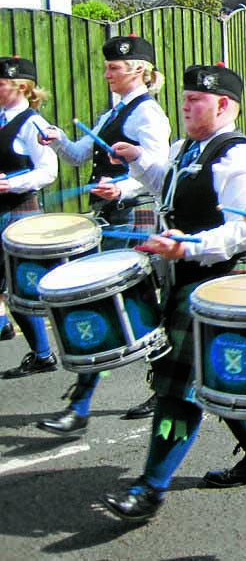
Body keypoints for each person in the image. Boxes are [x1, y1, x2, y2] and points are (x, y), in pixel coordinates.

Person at [99, 63, 246, 523]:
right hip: (191, 275)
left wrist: (188, 244)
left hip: (226, 276)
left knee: (176, 389)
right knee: (214, 377)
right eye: (184, 98)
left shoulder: (242, 159)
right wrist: (135, 160)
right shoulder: (188, 149)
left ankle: (151, 487)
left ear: (224, 105)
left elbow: (244, 231)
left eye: (195, 100)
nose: (185, 105)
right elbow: (170, 182)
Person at [35, 34, 170, 426]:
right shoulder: (114, 112)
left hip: (134, 214)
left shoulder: (147, 114)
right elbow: (81, 155)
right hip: (111, 215)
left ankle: (85, 405)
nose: (107, 74)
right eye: (107, 67)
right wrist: (58, 140)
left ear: (138, 70)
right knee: (121, 305)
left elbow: (157, 172)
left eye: (114, 68)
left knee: (123, 304)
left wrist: (121, 186)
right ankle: (95, 401)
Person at [0, 56, 59, 376]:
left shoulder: (32, 124)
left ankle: (42, 353)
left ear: (20, 86)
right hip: (2, 213)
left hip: (18, 212)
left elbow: (48, 171)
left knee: (17, 288)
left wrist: (10, 183)